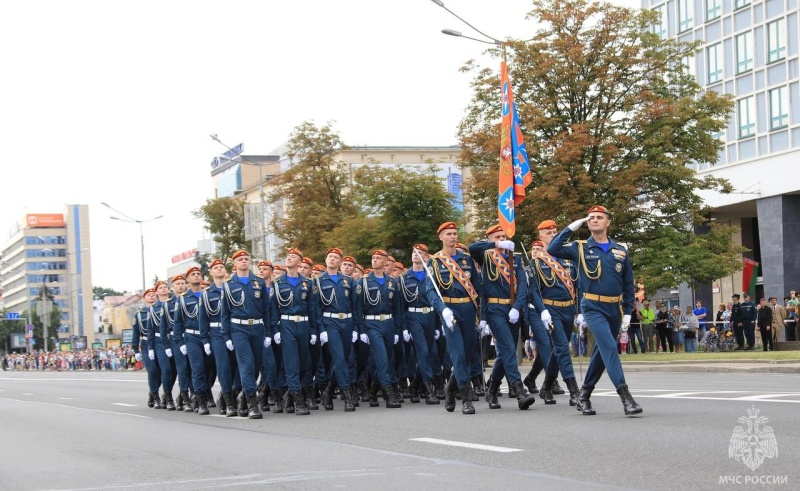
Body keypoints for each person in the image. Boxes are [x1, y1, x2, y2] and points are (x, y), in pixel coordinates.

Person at [548, 205, 642, 416]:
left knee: (601, 353)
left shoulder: (620, 250)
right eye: (591, 218)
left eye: (599, 217)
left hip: (615, 308)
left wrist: (627, 312)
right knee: (609, 347)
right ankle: (626, 397)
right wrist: (571, 228)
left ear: (608, 222)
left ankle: (584, 395)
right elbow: (553, 249)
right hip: (592, 306)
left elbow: (628, 283)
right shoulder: (579, 248)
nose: (594, 220)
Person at [470, 224, 536, 412]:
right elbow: (472, 248)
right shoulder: (485, 256)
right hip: (495, 308)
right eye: (497, 236)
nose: (501, 238)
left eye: (503, 235)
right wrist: (496, 243)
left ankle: (492, 387)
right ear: (490, 238)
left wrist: (517, 307)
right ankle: (519, 389)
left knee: (505, 353)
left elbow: (522, 284)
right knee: (507, 347)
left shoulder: (514, 258)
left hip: (513, 309)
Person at [424, 222, 483, 414]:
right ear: (441, 237)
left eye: (455, 233)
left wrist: (483, 316)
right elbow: (431, 291)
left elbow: (478, 289)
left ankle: (450, 388)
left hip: (468, 309)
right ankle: (466, 398)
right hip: (450, 311)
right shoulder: (434, 262)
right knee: (457, 353)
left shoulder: (467, 260)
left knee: (467, 355)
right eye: (448, 234)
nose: (453, 237)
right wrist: (443, 310)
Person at [525, 220, 581, 407]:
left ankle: (547, 386)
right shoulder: (537, 262)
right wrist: (543, 312)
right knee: (563, 348)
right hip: (551, 309)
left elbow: (577, 286)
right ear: (540, 236)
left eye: (555, 232)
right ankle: (574, 390)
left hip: (568, 308)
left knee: (558, 349)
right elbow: (533, 291)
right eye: (548, 233)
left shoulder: (568, 258)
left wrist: (579, 311)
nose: (552, 235)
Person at [269, 248, 320, 416]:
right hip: (286, 324)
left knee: (305, 363)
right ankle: (299, 401)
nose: (289, 258)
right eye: (288, 256)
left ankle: (289, 397)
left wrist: (313, 330)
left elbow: (312, 308)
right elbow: (273, 309)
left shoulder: (307, 283)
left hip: (304, 325)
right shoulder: (277, 283)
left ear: (299, 262)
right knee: (292, 363)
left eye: (293, 257)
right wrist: (275, 329)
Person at [220, 250, 270, 419]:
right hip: (238, 329)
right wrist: (226, 336)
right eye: (240, 259)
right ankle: (252, 404)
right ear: (234, 264)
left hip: (257, 328)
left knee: (256, 366)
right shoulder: (228, 285)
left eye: (246, 259)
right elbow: (225, 313)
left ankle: (242, 395)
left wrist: (268, 332)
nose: (244, 262)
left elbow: (266, 309)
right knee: (247, 364)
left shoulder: (259, 282)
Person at [354, 249, 404, 409]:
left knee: (384, 360)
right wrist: (362, 330)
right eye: (373, 258)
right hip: (372, 324)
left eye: (378, 258)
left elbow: (397, 309)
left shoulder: (392, 282)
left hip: (388, 323)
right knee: (382, 359)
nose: (375, 260)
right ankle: (389, 394)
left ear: (385, 262)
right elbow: (359, 309)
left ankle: (373, 391)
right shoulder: (364, 282)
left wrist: (397, 330)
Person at [312, 248, 359, 412]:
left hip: (346, 321)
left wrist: (355, 327)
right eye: (330, 256)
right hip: (329, 321)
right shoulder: (318, 281)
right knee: (339, 358)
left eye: (336, 257)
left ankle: (329, 390)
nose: (332, 259)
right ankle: (347, 396)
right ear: (326, 260)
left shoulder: (348, 281)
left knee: (344, 359)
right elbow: (316, 308)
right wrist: (321, 328)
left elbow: (355, 306)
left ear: (340, 262)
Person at [398, 244, 441, 405]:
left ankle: (414, 386)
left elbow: (437, 301)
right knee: (422, 352)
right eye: (414, 252)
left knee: (429, 352)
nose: (416, 255)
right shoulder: (404, 278)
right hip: (413, 316)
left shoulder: (432, 275)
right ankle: (429, 389)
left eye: (420, 253)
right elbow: (400, 306)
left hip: (430, 315)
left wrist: (437, 325)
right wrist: (403, 328)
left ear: (426, 257)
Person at [199, 258, 241, 416]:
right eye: (215, 268)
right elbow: (203, 319)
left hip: (235, 330)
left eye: (221, 267)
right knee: (223, 367)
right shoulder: (207, 294)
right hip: (216, 334)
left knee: (238, 366)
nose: (219, 269)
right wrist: (205, 340)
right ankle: (229, 401)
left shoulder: (233, 287)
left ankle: (231, 395)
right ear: (211, 272)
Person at [174, 266, 210, 415]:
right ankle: (200, 400)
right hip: (192, 337)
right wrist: (179, 341)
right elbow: (178, 322)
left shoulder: (207, 294)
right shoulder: (183, 299)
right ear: (188, 279)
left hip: (208, 336)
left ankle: (200, 394)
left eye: (198, 274)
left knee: (211, 369)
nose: (196, 276)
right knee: (197, 368)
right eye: (193, 274)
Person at [147, 281, 176, 410]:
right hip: (159, 342)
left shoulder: (174, 303)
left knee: (175, 370)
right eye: (161, 288)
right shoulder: (153, 308)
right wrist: (150, 347)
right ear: (157, 292)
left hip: (174, 339)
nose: (164, 289)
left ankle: (166, 393)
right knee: (166, 369)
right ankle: (167, 397)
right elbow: (150, 330)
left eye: (165, 287)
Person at [131, 287, 161, 409]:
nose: (152, 296)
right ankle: (155, 394)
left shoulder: (160, 310)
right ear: (144, 298)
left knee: (162, 370)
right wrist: (135, 350)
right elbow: (136, 332)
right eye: (149, 295)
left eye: (154, 294)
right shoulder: (139, 314)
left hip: (159, 342)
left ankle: (153, 390)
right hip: (146, 343)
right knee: (152, 370)